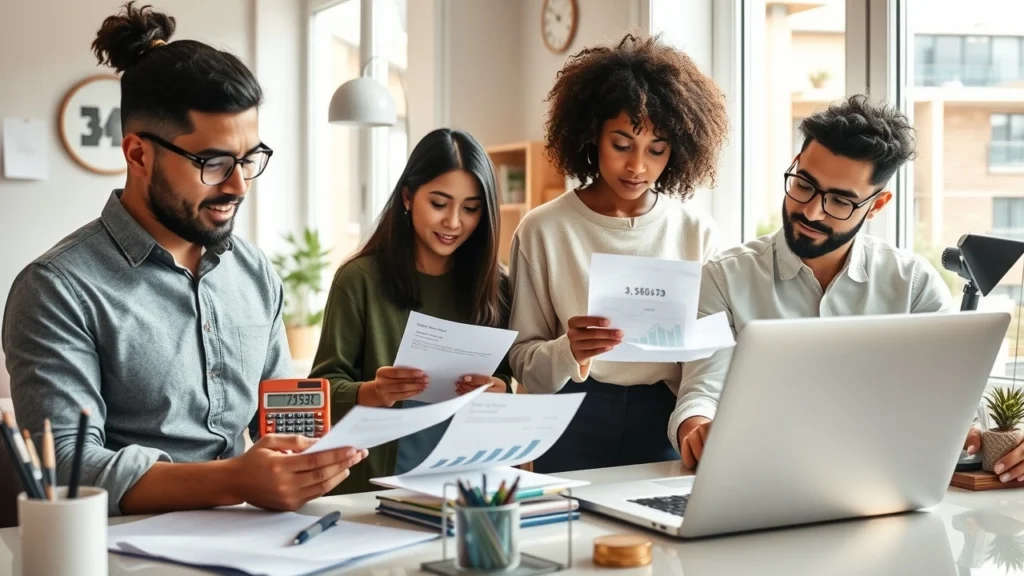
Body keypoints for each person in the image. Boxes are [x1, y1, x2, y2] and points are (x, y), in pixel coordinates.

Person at [1, 2, 365, 516]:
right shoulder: (57, 288)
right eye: (213, 162)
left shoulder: (254, 272)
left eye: (249, 159)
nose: (238, 185)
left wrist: (311, 460)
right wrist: (235, 480)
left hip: (255, 542)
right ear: (137, 154)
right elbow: (63, 465)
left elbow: (282, 419)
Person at [670, 95, 961, 468]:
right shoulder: (723, 278)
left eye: (840, 201)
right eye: (804, 184)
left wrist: (995, 439)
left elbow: (953, 402)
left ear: (877, 205)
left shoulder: (915, 286)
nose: (811, 210)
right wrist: (699, 429)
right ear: (794, 165)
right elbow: (700, 393)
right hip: (758, 476)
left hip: (879, 478)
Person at [507, 32, 729, 473]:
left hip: (664, 415)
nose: (637, 166)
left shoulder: (696, 232)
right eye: (622, 144)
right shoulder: (543, 229)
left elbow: (712, 354)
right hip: (570, 414)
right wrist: (570, 349)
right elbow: (521, 362)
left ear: (679, 151)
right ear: (592, 135)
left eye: (657, 150)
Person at [309, 128, 512, 494]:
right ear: (407, 197)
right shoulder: (358, 280)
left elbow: (507, 380)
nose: (454, 221)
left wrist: (499, 389)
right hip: (375, 488)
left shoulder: (496, 285)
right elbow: (321, 392)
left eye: (470, 208)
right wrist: (374, 392)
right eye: (439, 203)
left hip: (465, 483)